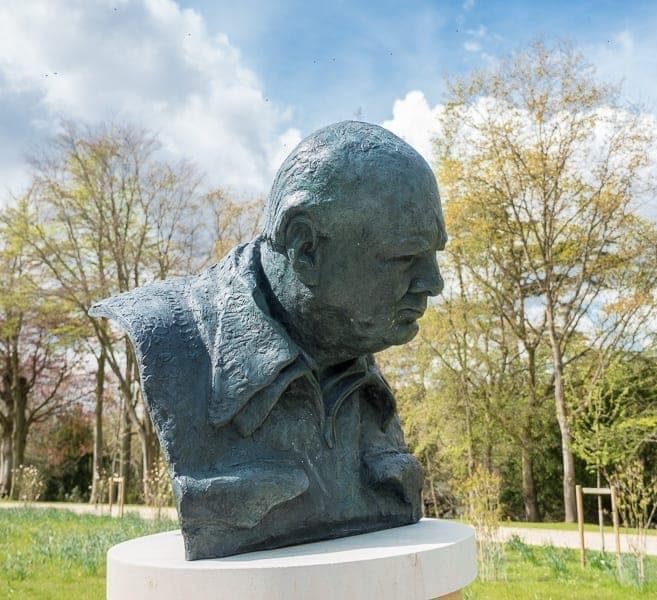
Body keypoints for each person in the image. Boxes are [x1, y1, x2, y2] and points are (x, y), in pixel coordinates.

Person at [90, 121, 447, 560]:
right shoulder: (168, 333)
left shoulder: (354, 351)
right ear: (305, 248)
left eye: (434, 255)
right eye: (405, 256)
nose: (433, 283)